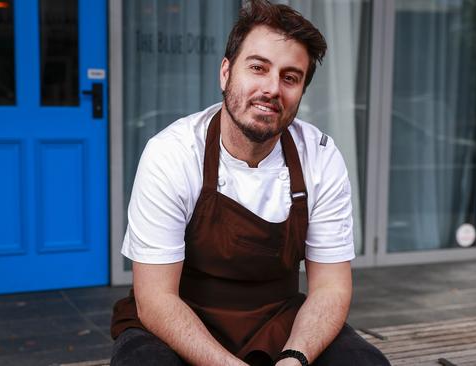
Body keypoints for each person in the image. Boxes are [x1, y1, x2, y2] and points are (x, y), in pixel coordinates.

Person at [110, 1, 390, 365]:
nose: (272, 88)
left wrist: (295, 358)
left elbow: (331, 288)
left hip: (278, 321)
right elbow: (156, 299)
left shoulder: (319, 157)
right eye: (258, 68)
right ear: (225, 73)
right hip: (178, 320)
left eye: (290, 77)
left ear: (301, 90)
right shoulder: (172, 153)